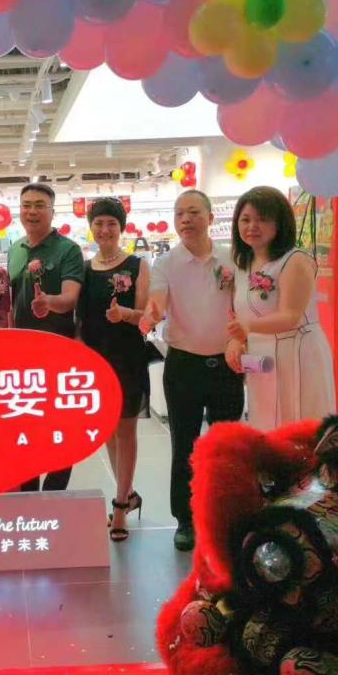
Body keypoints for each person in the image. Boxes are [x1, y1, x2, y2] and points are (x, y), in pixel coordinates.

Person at [139, 190, 244, 551]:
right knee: (184, 444)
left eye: (194, 212)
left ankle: (225, 514)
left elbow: (244, 303)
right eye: (179, 213)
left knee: (226, 446)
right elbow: (157, 299)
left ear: (211, 218)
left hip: (227, 365)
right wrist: (152, 313)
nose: (185, 219)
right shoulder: (166, 263)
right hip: (183, 365)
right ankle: (185, 519)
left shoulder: (232, 258)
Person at [226, 186, 336, 430]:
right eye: (245, 220)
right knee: (265, 420)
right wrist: (236, 340)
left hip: (297, 352)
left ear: (280, 223)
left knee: (298, 421)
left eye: (262, 219)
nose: (252, 226)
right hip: (260, 356)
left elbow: (290, 316)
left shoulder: (295, 260)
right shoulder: (243, 263)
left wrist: (247, 327)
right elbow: (241, 312)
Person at [77, 198, 149, 542]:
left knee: (126, 429)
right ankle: (129, 492)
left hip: (127, 357)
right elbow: (79, 319)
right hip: (96, 360)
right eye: (99, 223)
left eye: (111, 224)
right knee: (107, 429)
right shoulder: (84, 269)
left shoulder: (138, 265)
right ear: (91, 227)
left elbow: (147, 316)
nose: (105, 230)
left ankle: (120, 505)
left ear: (122, 228)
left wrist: (126, 315)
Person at [8, 182, 84, 492]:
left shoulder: (68, 250)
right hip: (21, 358)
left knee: (59, 429)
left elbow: (71, 298)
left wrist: (48, 302)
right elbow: (11, 302)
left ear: (53, 211)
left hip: (58, 356)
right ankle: (28, 494)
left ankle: (54, 494)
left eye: (40, 205)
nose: (32, 211)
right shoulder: (15, 249)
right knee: (25, 425)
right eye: (26, 205)